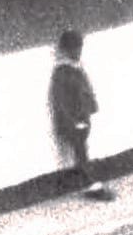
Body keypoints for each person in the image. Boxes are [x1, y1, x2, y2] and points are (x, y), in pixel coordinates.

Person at [49, 30, 115, 201]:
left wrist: (90, 108)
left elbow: (85, 89)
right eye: (74, 49)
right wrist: (72, 122)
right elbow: (61, 101)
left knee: (82, 151)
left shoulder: (75, 69)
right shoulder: (62, 72)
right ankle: (91, 185)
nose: (78, 52)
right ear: (66, 50)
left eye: (79, 48)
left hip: (82, 118)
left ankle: (88, 183)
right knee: (81, 152)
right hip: (74, 121)